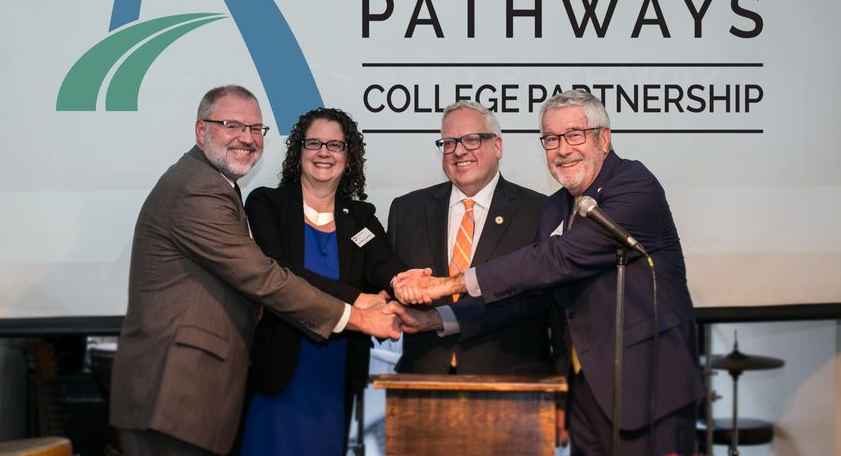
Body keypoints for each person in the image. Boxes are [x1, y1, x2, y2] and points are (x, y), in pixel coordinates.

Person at [392, 90, 704, 455]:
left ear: (603, 138)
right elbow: (528, 295)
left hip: (648, 389)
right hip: (587, 391)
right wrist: (435, 320)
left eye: (575, 134)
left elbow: (558, 258)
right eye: (551, 139)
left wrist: (450, 284)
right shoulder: (556, 206)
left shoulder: (635, 185)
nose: (563, 149)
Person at [109, 86, 400, 456]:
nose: (246, 138)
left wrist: (405, 285)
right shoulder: (200, 190)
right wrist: (358, 314)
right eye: (231, 125)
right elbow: (264, 276)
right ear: (201, 131)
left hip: (198, 394)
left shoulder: (217, 186)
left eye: (255, 129)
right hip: (176, 393)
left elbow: (381, 263)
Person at [238, 108, 405, 455]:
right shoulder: (266, 203)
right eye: (313, 143)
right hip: (279, 371)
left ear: (349, 155)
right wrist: (358, 299)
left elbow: (382, 263)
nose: (324, 152)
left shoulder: (360, 216)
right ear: (298, 151)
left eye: (335, 145)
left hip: (337, 373)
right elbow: (282, 273)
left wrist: (404, 281)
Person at [387, 100, 557, 377]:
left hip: (511, 383)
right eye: (449, 142)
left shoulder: (540, 211)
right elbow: (388, 279)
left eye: (472, 139)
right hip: (420, 382)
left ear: (498, 146)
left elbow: (538, 295)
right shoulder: (406, 211)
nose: (459, 151)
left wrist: (439, 319)